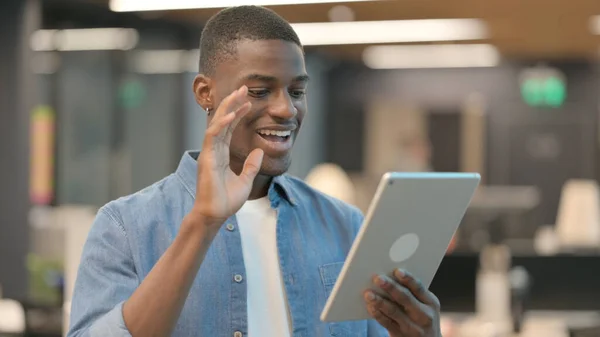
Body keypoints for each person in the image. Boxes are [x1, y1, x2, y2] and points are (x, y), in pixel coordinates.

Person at [67, 6, 442, 337]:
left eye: (296, 92)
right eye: (260, 91)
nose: (286, 110)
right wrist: (203, 222)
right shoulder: (125, 227)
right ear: (204, 93)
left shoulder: (344, 224)